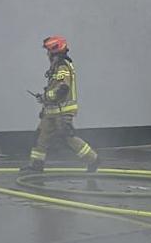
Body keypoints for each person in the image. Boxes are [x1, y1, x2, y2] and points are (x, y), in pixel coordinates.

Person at [21, 35, 97, 173]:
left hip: (62, 112)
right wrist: (45, 100)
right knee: (40, 137)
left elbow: (63, 88)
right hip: (51, 112)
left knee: (68, 137)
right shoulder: (56, 66)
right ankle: (36, 166)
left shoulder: (63, 66)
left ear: (54, 51)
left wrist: (46, 96)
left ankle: (93, 160)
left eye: (48, 51)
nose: (47, 54)